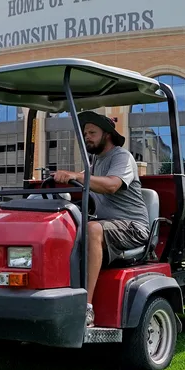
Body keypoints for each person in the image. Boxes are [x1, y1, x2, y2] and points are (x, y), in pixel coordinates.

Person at [51, 111, 150, 326]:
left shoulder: (122, 157)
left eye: (92, 133)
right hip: (109, 226)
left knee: (93, 229)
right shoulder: (95, 162)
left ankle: (86, 307)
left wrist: (77, 176)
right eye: (85, 133)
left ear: (107, 134)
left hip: (134, 227)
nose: (87, 137)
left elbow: (112, 185)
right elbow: (84, 180)